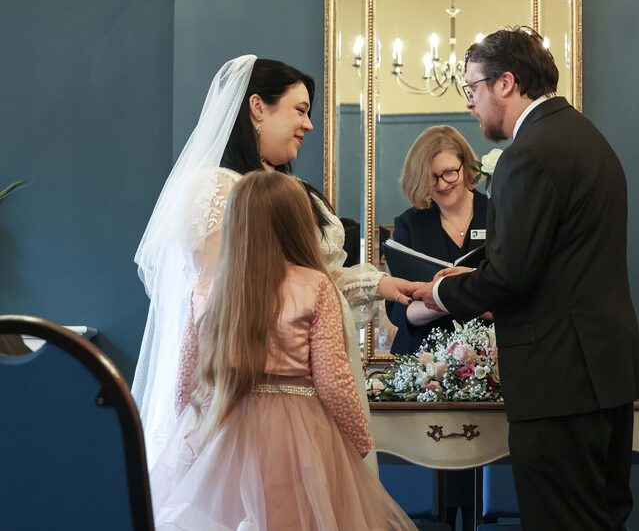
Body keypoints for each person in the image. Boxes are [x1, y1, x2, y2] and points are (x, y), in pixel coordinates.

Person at [413, 26, 639, 530]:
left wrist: (439, 290)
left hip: (558, 377)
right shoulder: (588, 139)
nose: (470, 104)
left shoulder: (528, 154)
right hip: (605, 372)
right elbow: (551, 261)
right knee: (603, 519)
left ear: (505, 83)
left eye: (472, 88)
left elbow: (510, 277)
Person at [133, 55, 416, 468]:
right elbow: (226, 297)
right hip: (260, 393)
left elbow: (314, 275)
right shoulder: (219, 189)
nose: (309, 125)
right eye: (300, 111)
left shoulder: (289, 187)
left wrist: (381, 285)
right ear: (258, 108)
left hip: (316, 375)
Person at [150, 171, 417, 530]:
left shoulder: (206, 291)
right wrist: (359, 440)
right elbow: (333, 381)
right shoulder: (314, 286)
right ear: (295, 223)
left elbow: (185, 384)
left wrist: (195, 437)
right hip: (298, 434)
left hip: (226, 424)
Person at [386, 125, 488, 356]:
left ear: (466, 166)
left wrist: (440, 295)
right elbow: (401, 309)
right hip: (424, 360)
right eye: (432, 178)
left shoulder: (499, 215)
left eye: (450, 172)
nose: (443, 184)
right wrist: (460, 296)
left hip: (491, 354)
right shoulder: (409, 225)